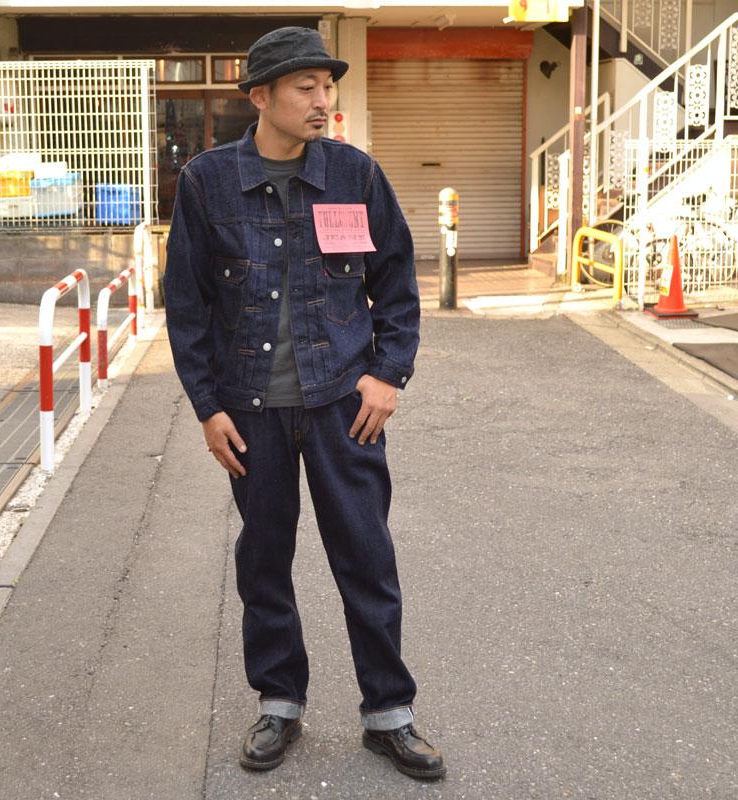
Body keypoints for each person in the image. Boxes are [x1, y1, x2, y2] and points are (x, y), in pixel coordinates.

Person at [163, 26, 445, 781]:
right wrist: (207, 407)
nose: (323, 100)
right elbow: (187, 306)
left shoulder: (354, 174)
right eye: (305, 87)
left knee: (366, 557)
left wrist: (389, 375)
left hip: (343, 406)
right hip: (249, 410)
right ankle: (279, 703)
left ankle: (389, 713)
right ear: (261, 96)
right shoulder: (208, 182)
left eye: (328, 86)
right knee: (264, 560)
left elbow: (397, 284)